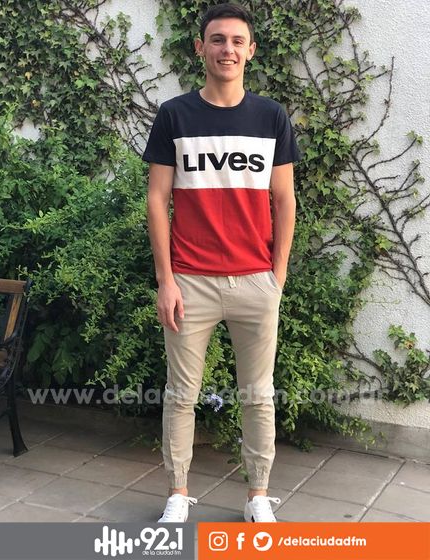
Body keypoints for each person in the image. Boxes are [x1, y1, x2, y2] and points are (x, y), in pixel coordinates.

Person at [143, 2, 300, 523]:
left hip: (256, 281)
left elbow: (284, 200)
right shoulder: (175, 115)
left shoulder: (271, 117)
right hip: (190, 281)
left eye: (236, 41)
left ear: (250, 51)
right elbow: (157, 199)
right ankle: (177, 494)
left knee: (258, 396)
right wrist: (166, 280)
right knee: (181, 395)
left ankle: (258, 496)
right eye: (217, 39)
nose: (226, 49)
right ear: (200, 48)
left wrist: (277, 277)